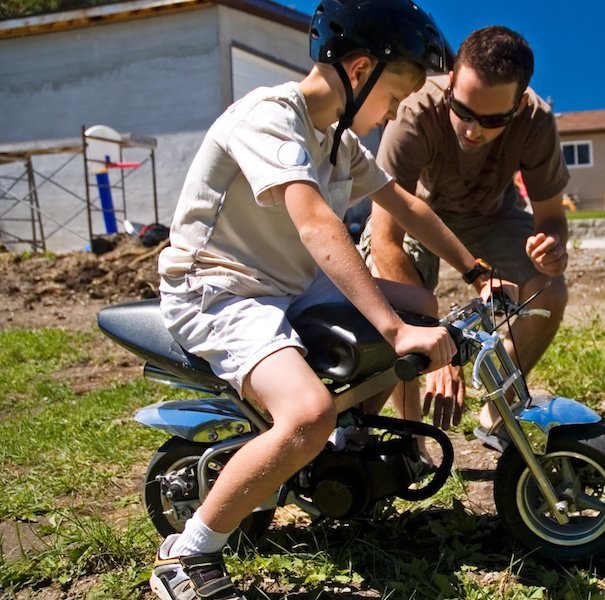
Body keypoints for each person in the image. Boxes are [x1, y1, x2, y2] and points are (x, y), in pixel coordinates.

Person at [149, 2, 495, 599]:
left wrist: (475, 269)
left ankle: (350, 448)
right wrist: (392, 333)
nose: (394, 113)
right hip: (221, 287)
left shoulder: (336, 141)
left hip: (286, 280)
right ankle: (187, 555)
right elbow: (314, 223)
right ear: (360, 70)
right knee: (309, 414)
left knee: (420, 301)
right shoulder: (268, 118)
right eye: (396, 95)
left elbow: (405, 206)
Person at [361, 25, 570, 437]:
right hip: (418, 216)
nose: (473, 131)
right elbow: (387, 240)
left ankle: (497, 413)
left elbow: (552, 218)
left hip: (491, 216)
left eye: (493, 120)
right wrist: (435, 343)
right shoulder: (413, 113)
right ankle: (411, 438)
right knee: (389, 295)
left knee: (551, 289)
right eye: (464, 112)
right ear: (451, 81)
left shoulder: (537, 121)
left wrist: (552, 247)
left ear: (519, 103)